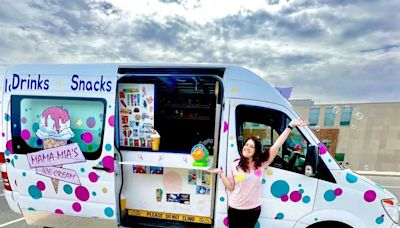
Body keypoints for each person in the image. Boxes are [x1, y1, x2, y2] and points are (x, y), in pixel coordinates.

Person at [208, 119, 309, 228]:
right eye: (246, 145)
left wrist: (290, 126)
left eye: (251, 146)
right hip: (235, 209)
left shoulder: (261, 164)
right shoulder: (235, 164)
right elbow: (231, 187)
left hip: (253, 210)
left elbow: (276, 145)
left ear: (256, 151)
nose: (247, 147)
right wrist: (221, 174)